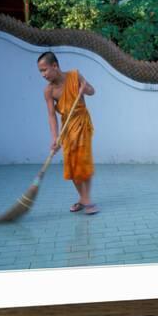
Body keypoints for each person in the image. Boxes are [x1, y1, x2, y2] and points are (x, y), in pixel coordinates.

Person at [37, 51, 99, 215]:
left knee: (82, 162)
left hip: (82, 122)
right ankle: (83, 198)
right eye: (40, 72)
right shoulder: (48, 91)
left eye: (44, 70)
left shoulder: (74, 75)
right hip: (67, 128)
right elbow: (51, 115)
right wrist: (55, 138)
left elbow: (93, 91)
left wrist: (85, 88)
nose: (43, 75)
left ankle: (86, 199)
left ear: (55, 66)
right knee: (71, 165)